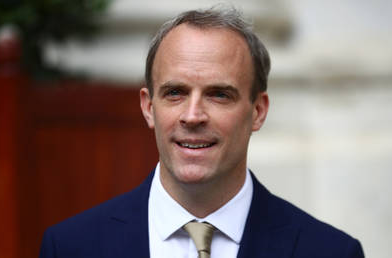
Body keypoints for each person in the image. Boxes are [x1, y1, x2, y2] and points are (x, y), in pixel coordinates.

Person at [39, 6, 364, 258]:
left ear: (258, 111)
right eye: (175, 93)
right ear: (148, 108)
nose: (193, 116)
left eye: (219, 94)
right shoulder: (72, 247)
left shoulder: (328, 252)